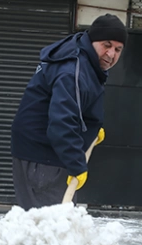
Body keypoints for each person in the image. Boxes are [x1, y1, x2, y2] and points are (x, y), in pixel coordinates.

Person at [10, 14, 127, 210]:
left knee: (47, 222)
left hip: (45, 153)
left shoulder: (84, 62)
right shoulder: (73, 70)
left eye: (118, 49)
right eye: (106, 45)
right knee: (48, 225)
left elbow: (73, 107)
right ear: (92, 41)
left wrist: (90, 129)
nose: (111, 54)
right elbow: (61, 122)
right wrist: (77, 164)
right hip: (43, 157)